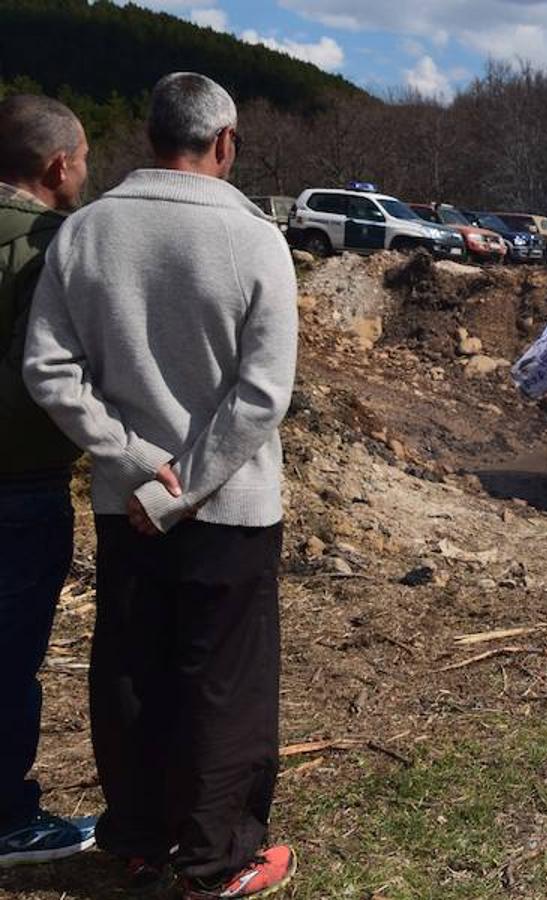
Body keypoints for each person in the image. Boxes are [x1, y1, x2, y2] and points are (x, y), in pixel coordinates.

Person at [23, 73, 298, 897]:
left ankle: (141, 839)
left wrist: (134, 460)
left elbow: (50, 369)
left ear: (148, 140)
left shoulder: (86, 231)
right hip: (233, 508)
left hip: (125, 504)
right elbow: (262, 394)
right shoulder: (256, 241)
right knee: (227, 684)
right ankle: (217, 861)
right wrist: (186, 483)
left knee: (133, 672)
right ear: (224, 143)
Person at [0, 94, 98, 868]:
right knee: (8, 657)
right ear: (57, 165)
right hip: (19, 484)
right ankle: (8, 820)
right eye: (87, 160)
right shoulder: (51, 246)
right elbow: (54, 375)